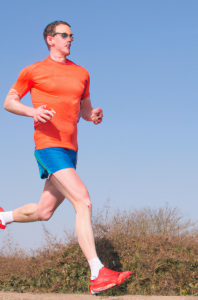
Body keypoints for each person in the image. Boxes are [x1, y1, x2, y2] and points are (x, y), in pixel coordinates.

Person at [1, 20, 132, 294]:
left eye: (71, 35)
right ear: (50, 39)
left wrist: (92, 115)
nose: (69, 39)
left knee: (44, 212)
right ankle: (98, 273)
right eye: (64, 35)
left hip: (71, 150)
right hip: (48, 146)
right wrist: (32, 112)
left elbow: (84, 110)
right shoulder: (33, 70)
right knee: (83, 201)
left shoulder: (81, 73)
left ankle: (5, 217)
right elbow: (9, 102)